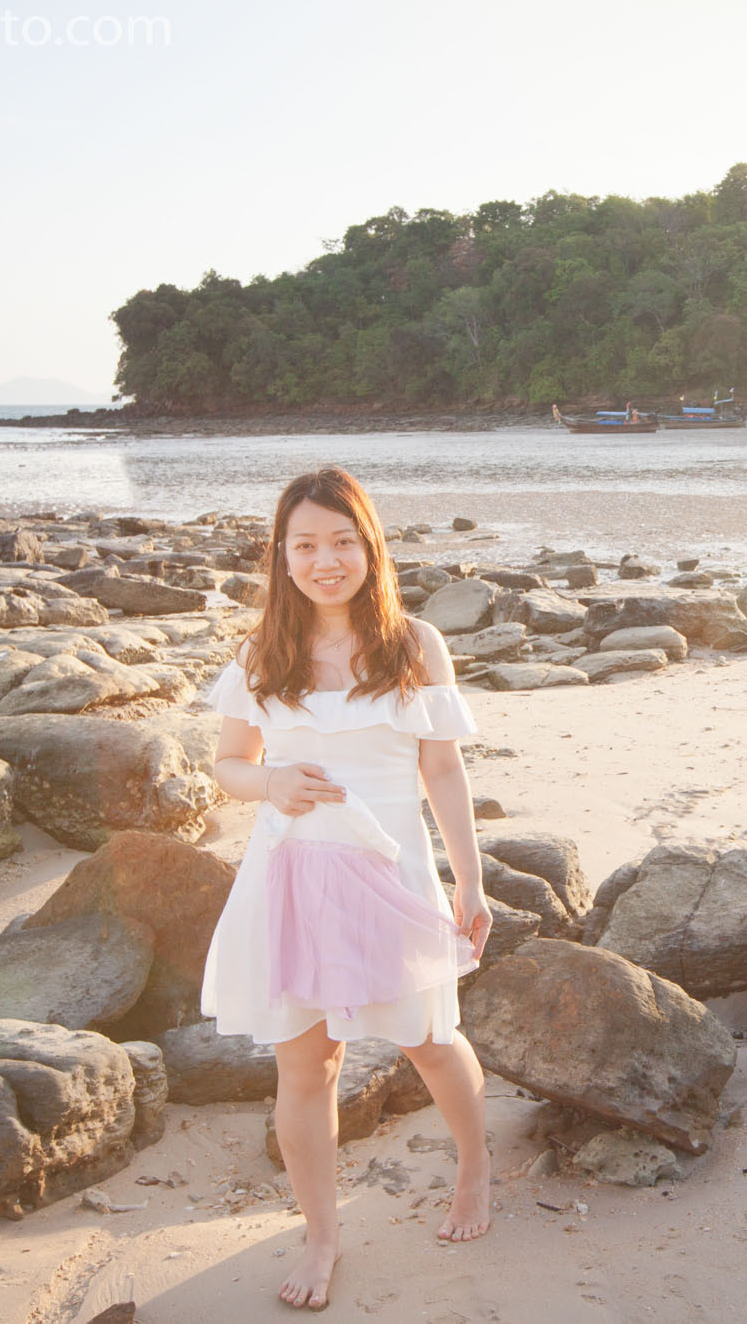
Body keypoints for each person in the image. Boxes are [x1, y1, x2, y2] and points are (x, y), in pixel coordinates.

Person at [201, 467, 494, 1310]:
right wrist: (270, 781)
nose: (324, 561)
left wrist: (470, 880)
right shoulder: (263, 652)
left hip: (390, 872)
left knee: (429, 1039)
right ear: (282, 555)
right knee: (307, 1065)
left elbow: (443, 769)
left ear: (369, 547)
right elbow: (228, 764)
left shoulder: (414, 643)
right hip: (290, 877)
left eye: (341, 541)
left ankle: (475, 1167)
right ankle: (322, 1235)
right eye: (305, 545)